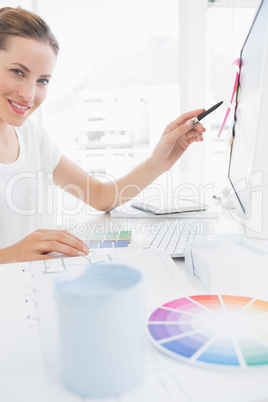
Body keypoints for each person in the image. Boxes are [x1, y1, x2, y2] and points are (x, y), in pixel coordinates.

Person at [0, 6, 205, 264]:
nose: (29, 94)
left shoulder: (32, 137)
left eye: (42, 80)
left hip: (38, 287)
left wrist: (159, 161)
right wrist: (7, 256)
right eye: (17, 72)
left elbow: (100, 196)